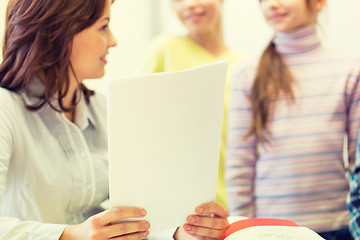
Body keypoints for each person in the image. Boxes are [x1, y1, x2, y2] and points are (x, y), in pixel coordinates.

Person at [0, 0, 229, 239]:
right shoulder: (5, 108)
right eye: (103, 27)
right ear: (60, 31)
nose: (113, 41)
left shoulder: (104, 107)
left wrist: (183, 232)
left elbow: (135, 216)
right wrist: (70, 235)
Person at [226, 0, 360, 239]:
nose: (272, 5)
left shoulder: (350, 69)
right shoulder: (247, 72)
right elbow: (239, 162)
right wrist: (242, 227)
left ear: (318, 2)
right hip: (269, 229)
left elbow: (356, 161)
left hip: (337, 224)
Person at [138, 0, 243, 209]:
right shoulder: (164, 50)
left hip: (236, 205)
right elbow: (135, 125)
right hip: (183, 211)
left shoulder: (245, 67)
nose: (190, 5)